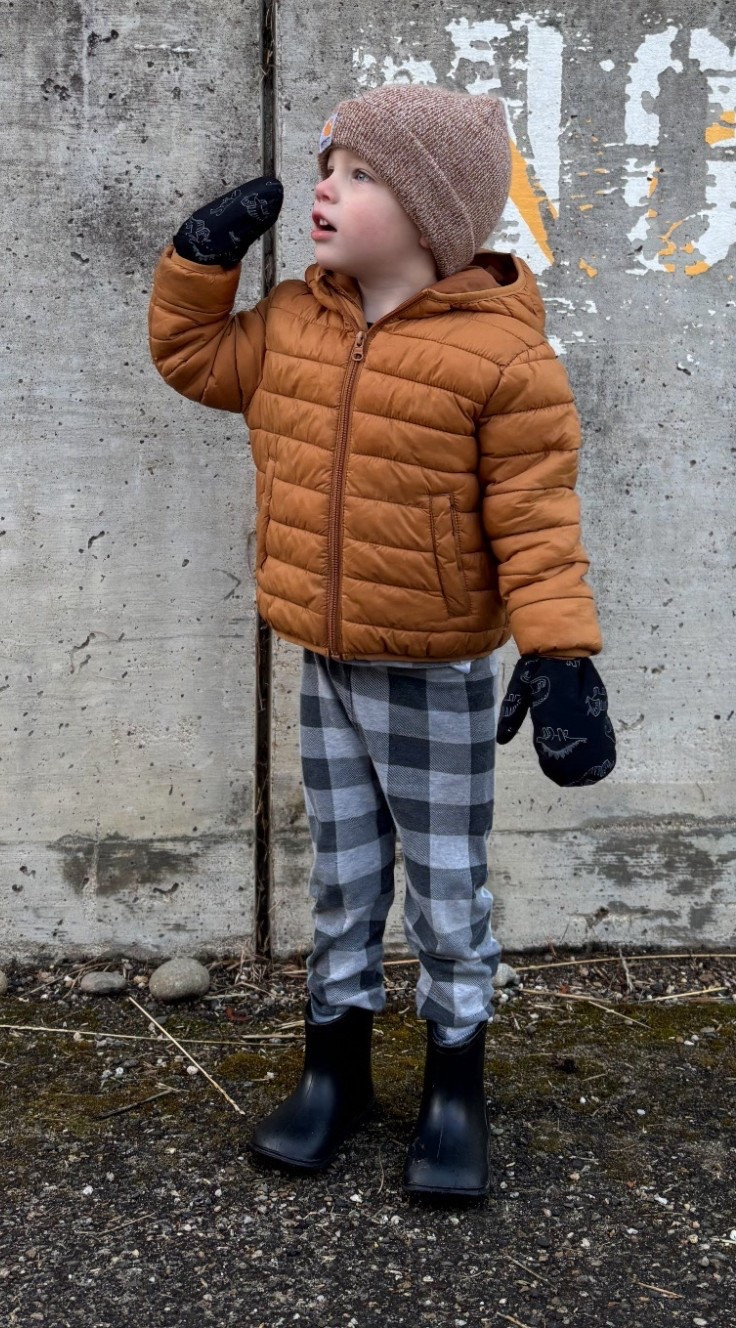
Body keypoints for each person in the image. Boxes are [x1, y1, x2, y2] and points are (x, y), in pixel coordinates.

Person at [147, 81, 615, 1201]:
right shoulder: (297, 323)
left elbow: (539, 522)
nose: (326, 188)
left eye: (361, 175)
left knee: (447, 888)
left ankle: (456, 1086)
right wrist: (196, 259)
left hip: (437, 669)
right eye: (330, 166)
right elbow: (195, 359)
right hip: (327, 656)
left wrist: (559, 655)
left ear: (430, 210)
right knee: (345, 877)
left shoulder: (503, 362)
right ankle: (335, 1070)